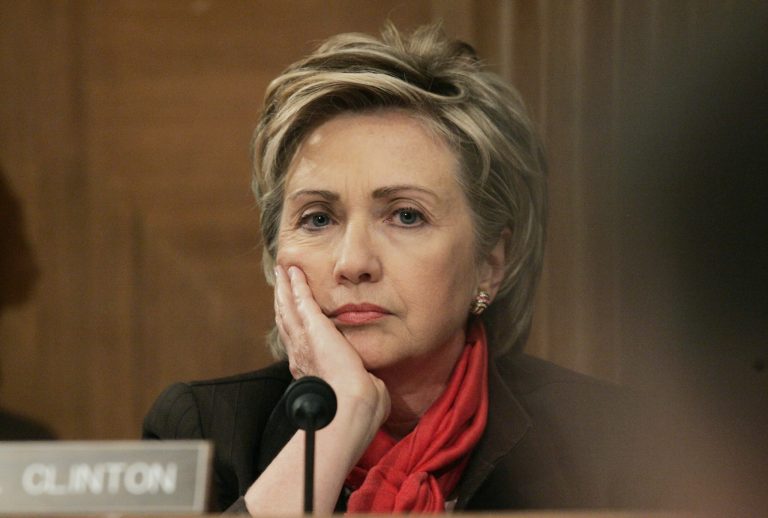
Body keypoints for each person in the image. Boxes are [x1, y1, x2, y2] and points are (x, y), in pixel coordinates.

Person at [143, 24, 659, 514]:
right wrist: (335, 423)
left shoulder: (613, 441)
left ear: (489, 264)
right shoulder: (203, 431)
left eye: (406, 216)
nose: (353, 263)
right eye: (318, 218)